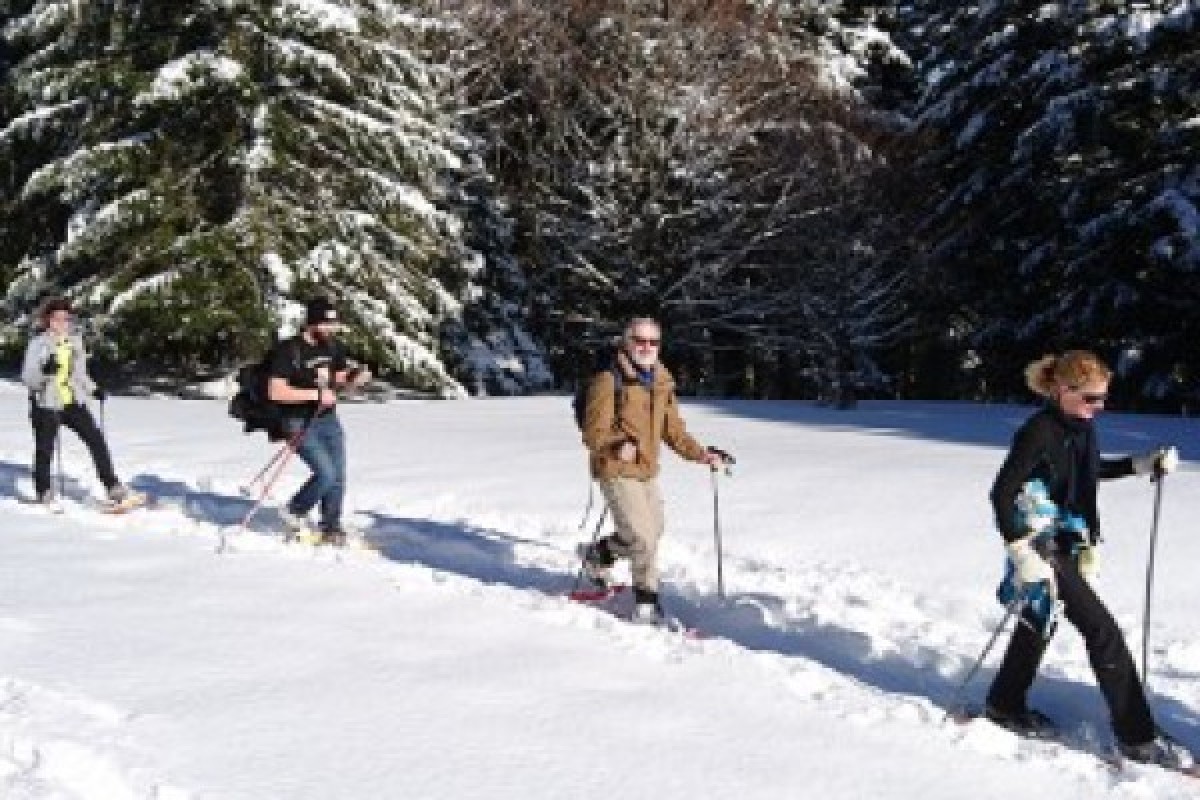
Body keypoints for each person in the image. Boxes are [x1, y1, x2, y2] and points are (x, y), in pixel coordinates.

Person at [984, 350, 1191, 768]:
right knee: (1103, 632)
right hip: (1040, 541)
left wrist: (1139, 464)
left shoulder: (1080, 426)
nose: (1099, 407)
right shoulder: (1038, 430)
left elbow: (1089, 470)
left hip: (1068, 539)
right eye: (1091, 398)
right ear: (1062, 390)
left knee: (1040, 622)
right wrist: (1020, 549)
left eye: (1102, 398)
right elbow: (1002, 493)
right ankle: (1138, 737)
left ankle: (1004, 704)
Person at [579, 317, 729, 624]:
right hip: (615, 468)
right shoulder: (608, 381)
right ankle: (646, 603)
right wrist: (616, 444)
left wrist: (702, 454)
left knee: (653, 530)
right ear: (626, 342)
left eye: (653, 342)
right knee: (644, 538)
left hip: (646, 470)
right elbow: (593, 434)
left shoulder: (661, 381)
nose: (646, 347)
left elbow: (673, 430)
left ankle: (599, 555)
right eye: (639, 340)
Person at [20, 296, 143, 511]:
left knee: (96, 440)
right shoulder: (38, 344)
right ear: (48, 320)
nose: (61, 323)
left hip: (72, 402)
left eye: (65, 319)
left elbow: (80, 374)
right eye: (56, 319)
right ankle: (43, 492)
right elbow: (28, 377)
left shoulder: (74, 342)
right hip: (46, 404)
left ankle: (113, 487)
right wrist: (45, 373)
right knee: (44, 449)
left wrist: (93, 389)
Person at [267, 296, 371, 545]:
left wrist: (355, 378)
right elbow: (276, 391)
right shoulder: (288, 350)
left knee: (338, 477)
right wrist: (316, 394)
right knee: (326, 473)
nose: (332, 329)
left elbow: (338, 377)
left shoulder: (332, 347)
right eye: (326, 324)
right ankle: (294, 511)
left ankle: (331, 526)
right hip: (297, 421)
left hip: (328, 420)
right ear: (311, 323)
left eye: (334, 324)